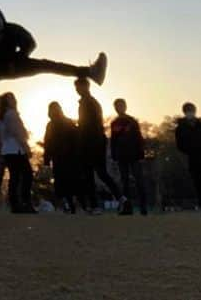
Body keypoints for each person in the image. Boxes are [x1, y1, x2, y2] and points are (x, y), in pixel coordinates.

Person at [0, 5, 107, 89]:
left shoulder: (14, 30)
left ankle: (91, 73)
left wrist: (19, 58)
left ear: (3, 29)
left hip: (15, 64)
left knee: (48, 65)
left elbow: (31, 43)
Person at [75, 77, 124, 213]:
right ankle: (120, 198)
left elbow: (87, 125)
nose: (77, 90)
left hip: (91, 142)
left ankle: (95, 205)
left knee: (90, 174)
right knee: (101, 173)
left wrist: (82, 139)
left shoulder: (88, 103)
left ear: (86, 87)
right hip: (96, 141)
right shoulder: (90, 103)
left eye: (79, 87)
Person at [43, 101, 82, 214]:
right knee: (68, 182)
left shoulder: (52, 125)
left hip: (61, 157)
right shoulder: (68, 122)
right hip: (68, 157)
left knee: (62, 182)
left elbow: (48, 143)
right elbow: (76, 139)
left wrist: (47, 159)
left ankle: (68, 203)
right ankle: (71, 204)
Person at [0, 92, 36, 214]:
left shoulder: (7, 115)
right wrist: (26, 147)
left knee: (15, 177)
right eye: (11, 99)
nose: (14, 100)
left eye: (14, 98)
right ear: (7, 102)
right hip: (15, 150)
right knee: (26, 175)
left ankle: (16, 204)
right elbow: (18, 133)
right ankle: (24, 203)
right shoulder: (11, 114)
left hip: (10, 150)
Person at [110, 99, 147, 216]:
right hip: (121, 155)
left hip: (134, 154)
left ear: (125, 107)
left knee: (139, 181)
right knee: (124, 182)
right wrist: (114, 154)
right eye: (117, 106)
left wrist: (141, 153)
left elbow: (139, 138)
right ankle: (127, 208)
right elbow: (113, 140)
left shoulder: (132, 122)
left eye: (121, 106)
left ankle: (143, 207)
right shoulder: (114, 123)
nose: (119, 108)